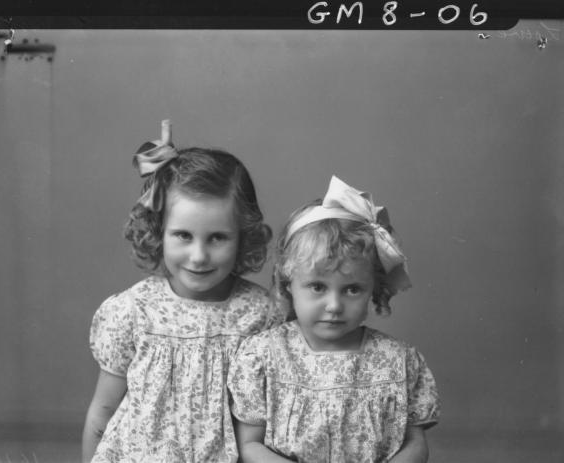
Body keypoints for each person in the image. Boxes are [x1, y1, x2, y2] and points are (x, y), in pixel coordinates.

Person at [82, 120, 282, 462]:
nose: (199, 256)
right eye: (183, 236)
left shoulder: (261, 315)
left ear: (242, 237)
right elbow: (102, 412)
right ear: (159, 232)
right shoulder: (133, 311)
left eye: (217, 237)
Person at [228, 176, 440, 462]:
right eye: (317, 287)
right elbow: (249, 445)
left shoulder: (398, 360)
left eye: (352, 289)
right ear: (288, 282)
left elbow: (415, 444)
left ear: (373, 288)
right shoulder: (262, 357)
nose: (334, 305)